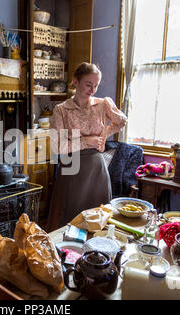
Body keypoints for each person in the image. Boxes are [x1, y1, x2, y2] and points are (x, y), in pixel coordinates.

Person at [46, 62, 127, 232]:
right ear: (75, 82)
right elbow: (57, 147)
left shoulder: (102, 104)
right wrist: (87, 141)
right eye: (88, 84)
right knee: (71, 222)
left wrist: (103, 135)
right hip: (71, 168)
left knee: (98, 220)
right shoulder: (61, 110)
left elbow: (121, 121)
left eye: (96, 85)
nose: (92, 90)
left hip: (96, 169)